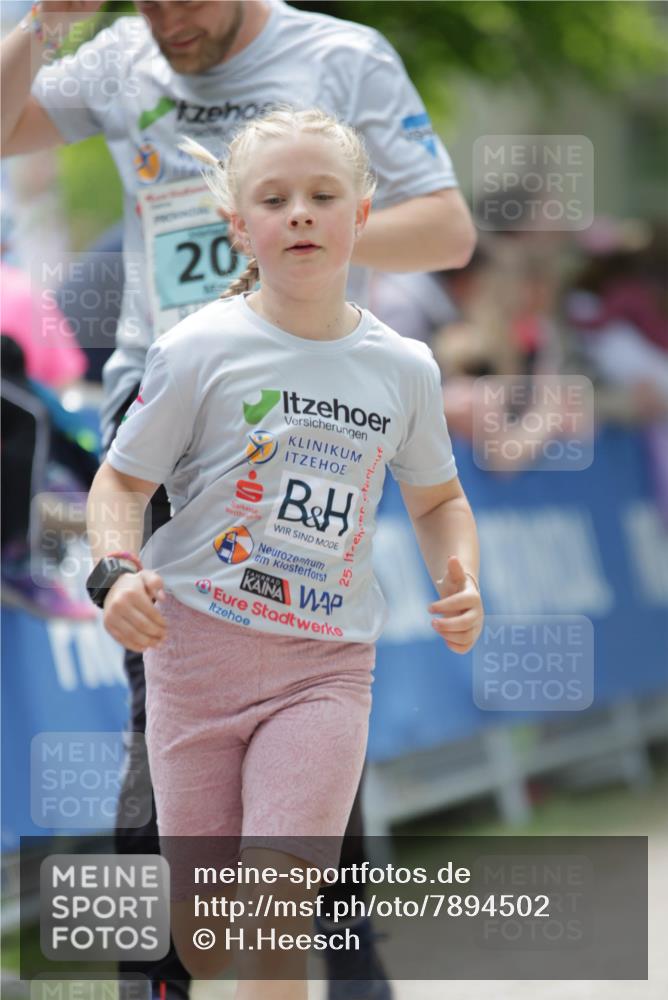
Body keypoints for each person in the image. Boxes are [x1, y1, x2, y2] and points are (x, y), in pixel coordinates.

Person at [2, 3, 475, 996]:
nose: (167, 17)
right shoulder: (122, 57)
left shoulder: (341, 57)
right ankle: (212, 965)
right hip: (166, 408)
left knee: (302, 691)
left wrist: (295, 233)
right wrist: (43, 28)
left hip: (315, 414)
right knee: (171, 708)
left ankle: (279, 965)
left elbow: (446, 227)